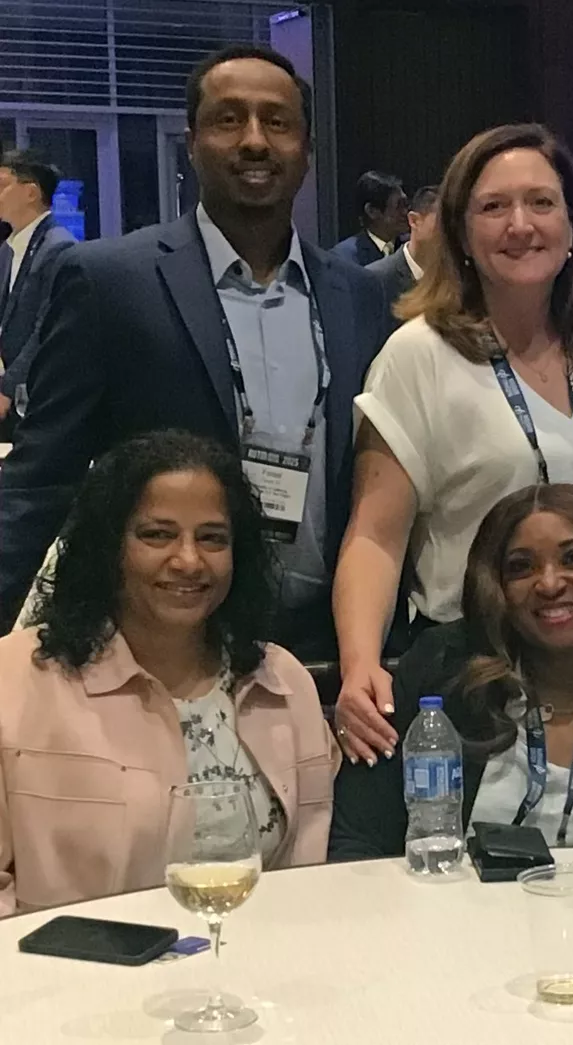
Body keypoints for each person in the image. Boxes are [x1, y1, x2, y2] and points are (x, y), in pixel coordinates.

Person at [0, 45, 392, 654]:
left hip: (328, 647)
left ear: (307, 151)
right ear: (192, 142)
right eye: (229, 120)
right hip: (161, 648)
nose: (255, 141)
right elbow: (40, 477)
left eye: (278, 122)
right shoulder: (110, 282)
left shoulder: (360, 296)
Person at [332, 123, 573, 765]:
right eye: (493, 207)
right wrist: (360, 662)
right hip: (479, 673)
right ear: (461, 233)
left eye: (541, 202)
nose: (520, 224)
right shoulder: (418, 355)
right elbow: (374, 534)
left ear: (570, 227)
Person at [0, 430, 339, 915]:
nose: (188, 560)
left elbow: (309, 883)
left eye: (212, 538)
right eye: (157, 534)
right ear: (108, 546)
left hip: (259, 974)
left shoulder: (283, 684)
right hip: (69, 980)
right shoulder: (12, 680)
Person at [330, 484, 573, 857]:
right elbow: (358, 841)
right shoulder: (441, 674)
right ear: (496, 586)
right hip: (453, 912)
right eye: (521, 567)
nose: (549, 584)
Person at [0, 148, 75, 434]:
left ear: (31, 193)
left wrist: (7, 389)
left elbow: (47, 329)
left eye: (2, 185)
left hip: (33, 398)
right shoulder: (9, 249)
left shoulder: (58, 247)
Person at [366, 183, 438, 316]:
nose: (451, 232)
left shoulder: (458, 278)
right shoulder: (375, 279)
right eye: (442, 223)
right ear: (414, 221)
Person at [332, 170, 408, 266]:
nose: (406, 212)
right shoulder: (344, 257)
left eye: (406, 205)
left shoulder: (410, 248)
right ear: (371, 211)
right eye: (399, 206)